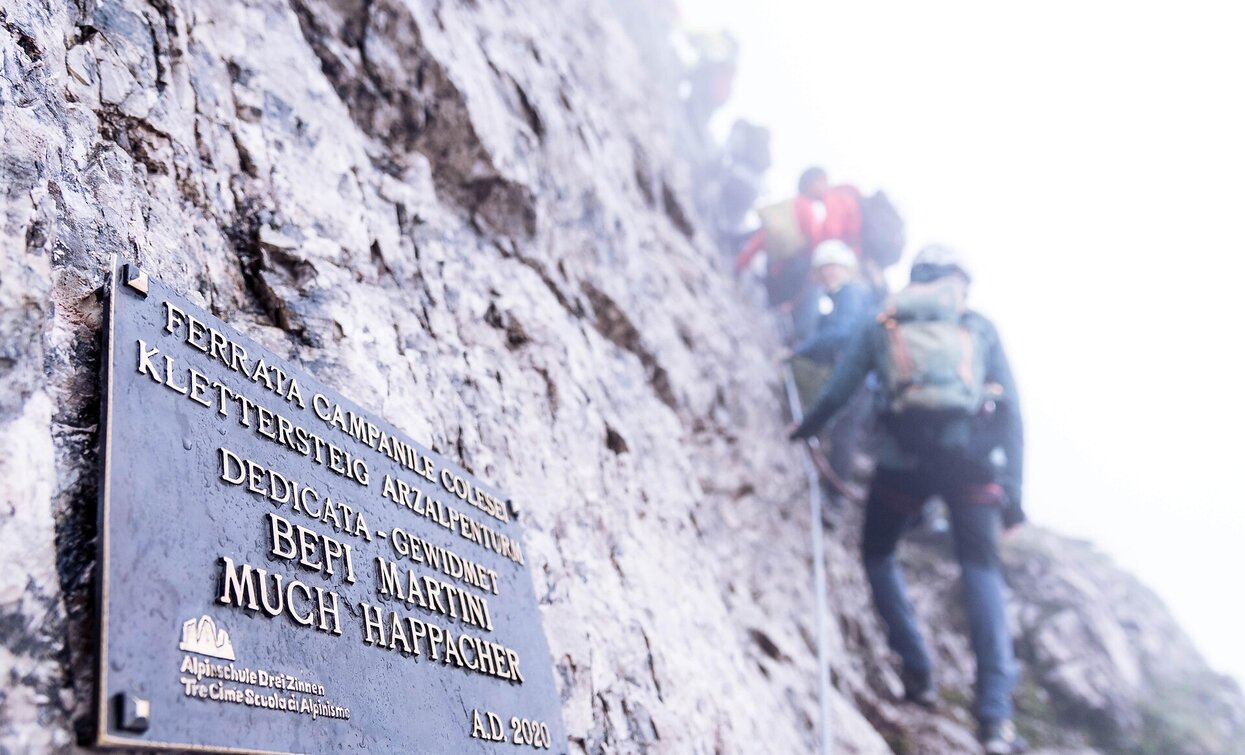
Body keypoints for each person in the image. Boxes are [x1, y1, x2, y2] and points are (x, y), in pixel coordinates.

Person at [789, 245, 1028, 754]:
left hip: (904, 463)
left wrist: (804, 430)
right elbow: (1012, 411)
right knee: (981, 574)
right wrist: (1013, 495)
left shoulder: (884, 323)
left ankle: (918, 670)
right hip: (971, 467)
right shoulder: (975, 325)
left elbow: (838, 391)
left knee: (878, 554)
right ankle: (995, 720)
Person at [735, 167, 861, 307]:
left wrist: (741, 263)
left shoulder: (805, 203)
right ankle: (779, 301)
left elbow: (764, 237)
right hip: (808, 257)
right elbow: (817, 235)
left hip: (808, 255)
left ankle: (772, 293)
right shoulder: (809, 206)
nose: (824, 188)